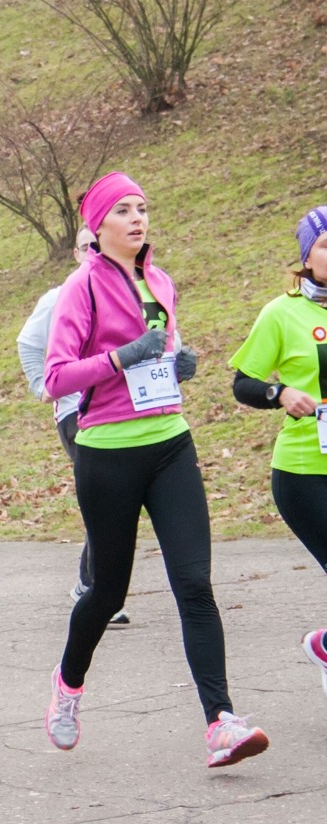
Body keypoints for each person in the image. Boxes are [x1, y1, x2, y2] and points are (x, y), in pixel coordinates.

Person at [43, 172, 267, 767]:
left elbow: (162, 353)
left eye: (143, 208)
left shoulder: (159, 280)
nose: (138, 219)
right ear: (99, 225)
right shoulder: (80, 288)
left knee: (194, 584)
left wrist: (176, 363)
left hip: (170, 444)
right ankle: (68, 688)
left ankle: (221, 722)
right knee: (108, 589)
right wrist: (120, 358)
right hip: (108, 455)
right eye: (123, 210)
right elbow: (57, 378)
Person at [230, 207, 327, 692]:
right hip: (305, 472)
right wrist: (280, 394)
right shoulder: (281, 313)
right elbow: (242, 383)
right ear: (306, 257)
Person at [16, 226, 129, 627]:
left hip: (128, 411)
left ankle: (99, 582)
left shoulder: (138, 288)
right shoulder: (60, 296)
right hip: (76, 411)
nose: (93, 252)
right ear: (77, 254)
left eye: (98, 245)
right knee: (107, 496)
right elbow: (28, 343)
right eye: (86, 247)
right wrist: (39, 385)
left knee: (119, 499)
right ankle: (93, 584)